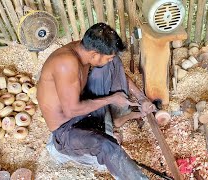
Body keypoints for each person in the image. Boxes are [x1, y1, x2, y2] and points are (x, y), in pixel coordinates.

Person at [37, 23, 155, 179]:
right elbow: (71, 110)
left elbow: (112, 67)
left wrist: (141, 98)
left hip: (84, 107)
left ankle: (118, 117)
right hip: (66, 130)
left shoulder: (83, 50)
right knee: (107, 147)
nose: (108, 60)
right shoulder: (66, 63)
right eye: (106, 57)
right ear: (94, 54)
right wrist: (111, 98)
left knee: (113, 63)